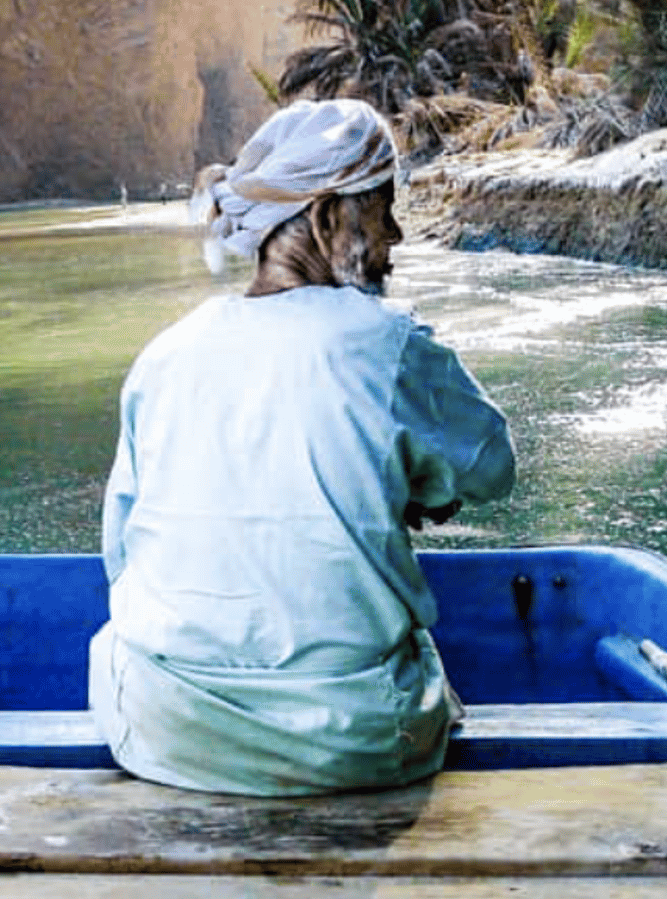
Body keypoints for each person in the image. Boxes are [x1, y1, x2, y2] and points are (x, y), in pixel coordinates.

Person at [88, 98, 516, 796]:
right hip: (353, 742)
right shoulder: (388, 342)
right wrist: (416, 487)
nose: (398, 236)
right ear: (325, 219)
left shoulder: (164, 356)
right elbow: (492, 470)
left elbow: (122, 553)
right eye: (382, 210)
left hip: (163, 731)